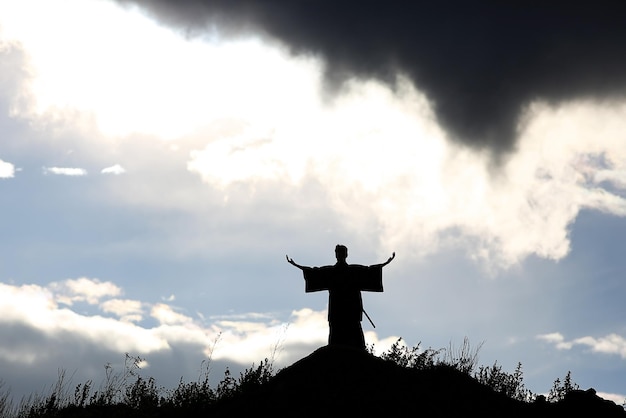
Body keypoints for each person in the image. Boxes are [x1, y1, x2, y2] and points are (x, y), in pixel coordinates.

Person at [286, 245, 395, 350]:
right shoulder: (333, 272)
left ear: (346, 254)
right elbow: (313, 272)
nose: (340, 255)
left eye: (341, 253)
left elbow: (370, 270)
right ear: (336, 255)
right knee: (337, 330)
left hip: (351, 307)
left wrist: (386, 263)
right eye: (338, 253)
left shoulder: (352, 271)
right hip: (337, 307)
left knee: (353, 330)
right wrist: (295, 264)